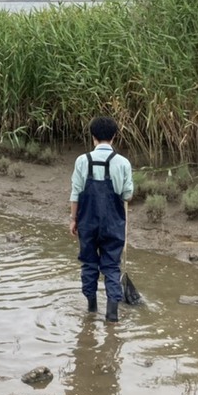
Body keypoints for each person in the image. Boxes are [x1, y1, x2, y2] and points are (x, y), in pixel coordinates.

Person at [68, 116, 134, 323]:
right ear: (114, 136)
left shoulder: (82, 161)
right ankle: (112, 316)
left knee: (88, 265)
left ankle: (91, 309)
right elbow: (127, 195)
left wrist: (73, 219)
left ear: (93, 137)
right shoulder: (123, 163)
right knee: (112, 267)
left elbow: (75, 193)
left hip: (87, 222)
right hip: (113, 223)